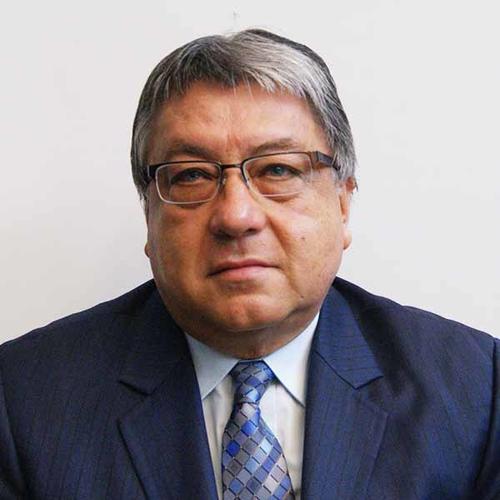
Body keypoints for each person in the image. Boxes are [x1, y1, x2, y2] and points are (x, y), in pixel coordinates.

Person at [0, 29, 498, 500]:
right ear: (148, 215)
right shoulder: (23, 403)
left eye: (278, 169)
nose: (236, 217)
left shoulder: (477, 390)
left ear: (343, 204)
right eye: (191, 176)